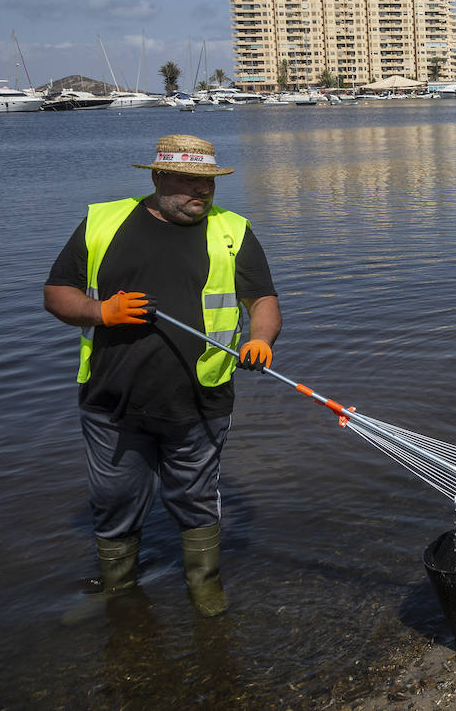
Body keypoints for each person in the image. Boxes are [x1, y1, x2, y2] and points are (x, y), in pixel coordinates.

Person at [43, 135, 281, 617]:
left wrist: (261, 338)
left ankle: (206, 591)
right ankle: (119, 595)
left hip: (200, 401)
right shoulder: (102, 221)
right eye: (188, 181)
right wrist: (100, 312)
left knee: (195, 498)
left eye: (208, 183)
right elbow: (56, 294)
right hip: (112, 400)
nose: (201, 192)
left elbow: (262, 300)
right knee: (114, 501)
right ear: (157, 177)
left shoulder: (232, 230)